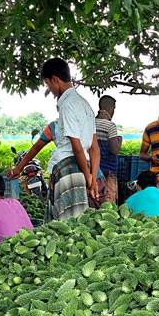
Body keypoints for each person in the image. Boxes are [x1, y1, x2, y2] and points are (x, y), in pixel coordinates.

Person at [38, 58, 99, 220]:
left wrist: (88, 176)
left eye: (48, 84)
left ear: (54, 79)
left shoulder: (67, 104)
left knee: (62, 225)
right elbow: (94, 148)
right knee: (77, 221)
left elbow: (77, 146)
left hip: (67, 169)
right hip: (82, 167)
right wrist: (92, 178)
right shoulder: (85, 105)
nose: (49, 89)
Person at [95, 95, 123, 204]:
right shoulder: (110, 125)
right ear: (111, 108)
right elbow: (115, 150)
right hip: (108, 168)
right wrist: (119, 142)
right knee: (108, 202)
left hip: (95, 169)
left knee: (96, 197)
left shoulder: (91, 123)